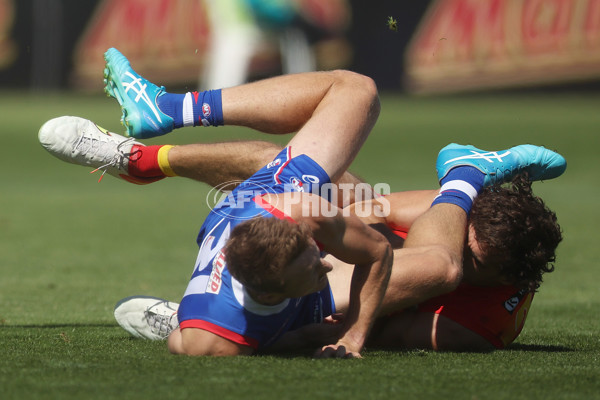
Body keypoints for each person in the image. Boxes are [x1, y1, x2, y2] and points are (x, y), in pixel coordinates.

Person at [38, 48, 566, 356]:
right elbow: (373, 222)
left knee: (434, 262)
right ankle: (467, 171)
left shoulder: (480, 325)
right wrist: (347, 295)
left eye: (470, 243)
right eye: (457, 213)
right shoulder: (298, 228)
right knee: (339, 116)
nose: (323, 258)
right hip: (275, 242)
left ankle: (147, 149)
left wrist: (349, 324)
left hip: (287, 249)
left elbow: (381, 287)